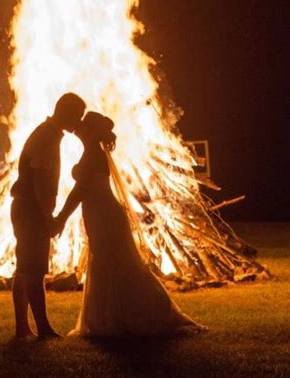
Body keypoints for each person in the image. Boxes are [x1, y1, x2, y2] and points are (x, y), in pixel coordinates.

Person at [54, 111, 205, 336]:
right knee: (111, 265)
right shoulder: (92, 153)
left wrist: (61, 218)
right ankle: (112, 318)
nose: (79, 127)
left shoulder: (93, 156)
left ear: (92, 131)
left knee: (116, 265)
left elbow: (79, 192)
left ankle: (124, 318)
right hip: (101, 216)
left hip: (105, 218)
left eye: (85, 124)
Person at [10, 92, 86, 339]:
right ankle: (43, 329)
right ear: (65, 112)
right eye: (78, 116)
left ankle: (23, 328)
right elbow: (41, 185)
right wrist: (49, 218)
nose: (79, 122)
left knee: (24, 270)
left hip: (25, 208)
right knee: (34, 271)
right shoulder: (47, 137)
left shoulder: (47, 133)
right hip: (31, 211)